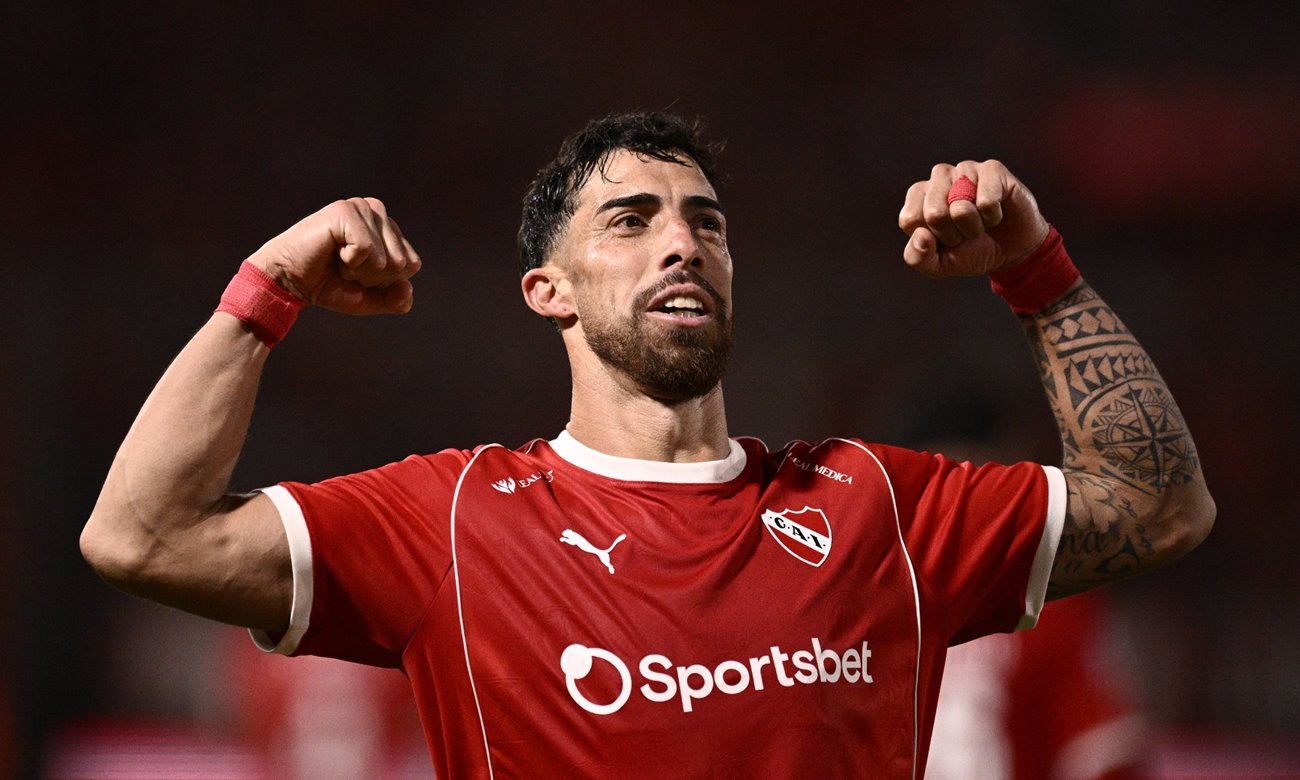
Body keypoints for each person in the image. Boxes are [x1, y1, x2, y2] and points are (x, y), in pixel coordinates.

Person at [81, 112, 1214, 777]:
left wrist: (1037, 269)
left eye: (705, 222)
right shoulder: (457, 519)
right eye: (631, 221)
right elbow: (142, 534)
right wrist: (267, 290)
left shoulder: (876, 505)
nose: (682, 243)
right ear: (547, 291)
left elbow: (1160, 506)